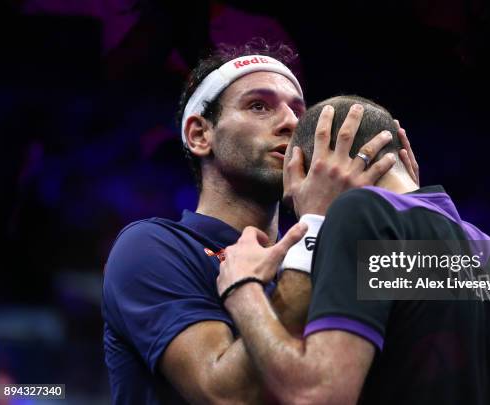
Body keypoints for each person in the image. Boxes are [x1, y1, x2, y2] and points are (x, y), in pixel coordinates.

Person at [217, 95, 490, 405]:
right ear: (405, 154)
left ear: (302, 167)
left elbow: (318, 394)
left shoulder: (361, 213)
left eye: (290, 196)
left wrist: (243, 288)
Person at [101, 39, 418, 404]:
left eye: (299, 111)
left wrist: (410, 218)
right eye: (258, 106)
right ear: (200, 135)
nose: (292, 124)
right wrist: (316, 224)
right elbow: (226, 395)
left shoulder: (328, 253)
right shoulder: (150, 246)